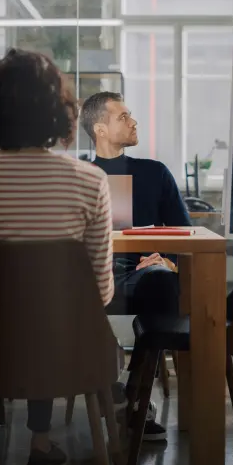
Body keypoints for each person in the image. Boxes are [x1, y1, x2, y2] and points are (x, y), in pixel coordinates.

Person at [0, 49, 114, 465]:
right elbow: (101, 292)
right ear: (58, 111)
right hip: (69, 352)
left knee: (21, 314)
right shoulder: (89, 180)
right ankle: (41, 445)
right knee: (50, 314)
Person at [81, 92, 192, 441]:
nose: (134, 122)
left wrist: (167, 257)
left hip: (141, 273)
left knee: (162, 281)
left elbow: (184, 230)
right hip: (88, 276)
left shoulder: (153, 172)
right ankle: (113, 386)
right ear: (100, 128)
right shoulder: (80, 175)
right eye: (124, 116)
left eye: (132, 115)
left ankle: (134, 397)